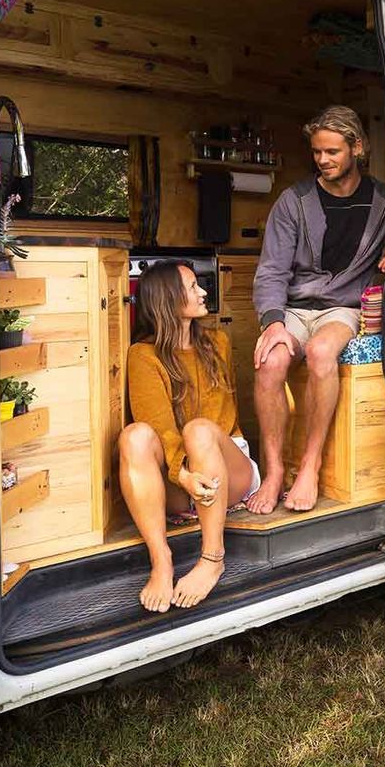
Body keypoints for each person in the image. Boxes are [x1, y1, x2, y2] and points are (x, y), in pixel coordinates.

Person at [246, 105, 385, 514]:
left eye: (332, 152)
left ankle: (310, 466)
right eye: (317, 152)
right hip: (295, 306)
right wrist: (273, 323)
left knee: (321, 352)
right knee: (270, 361)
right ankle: (274, 470)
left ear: (357, 148)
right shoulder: (293, 202)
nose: (323, 160)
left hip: (342, 308)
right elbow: (271, 271)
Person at [117, 260, 258, 612]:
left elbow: (221, 419)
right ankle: (161, 560)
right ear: (167, 299)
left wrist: (193, 469)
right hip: (182, 476)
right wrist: (182, 475)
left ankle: (212, 558)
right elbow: (159, 426)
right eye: (193, 287)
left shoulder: (217, 342)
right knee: (134, 436)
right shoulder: (142, 355)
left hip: (226, 467)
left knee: (198, 429)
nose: (204, 292)